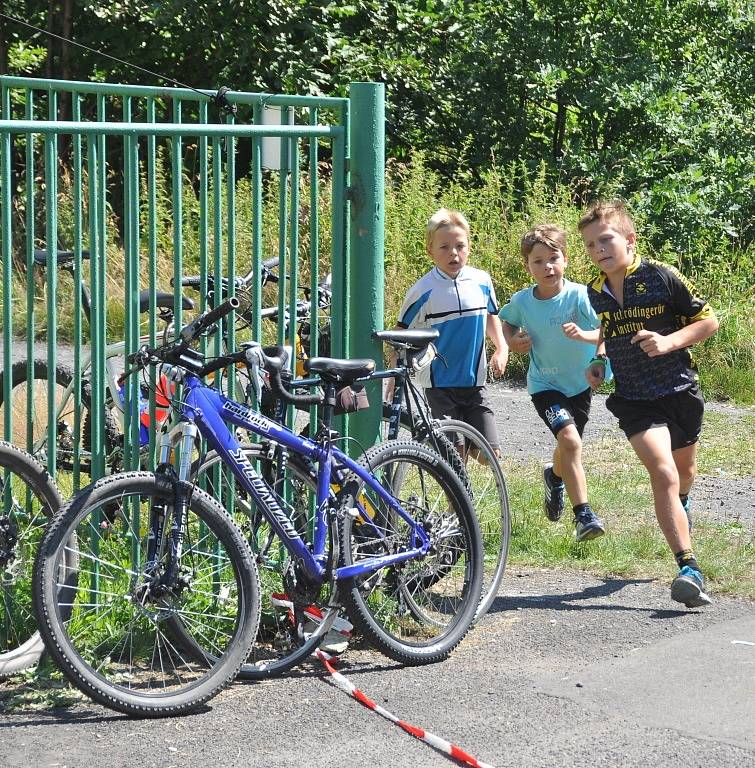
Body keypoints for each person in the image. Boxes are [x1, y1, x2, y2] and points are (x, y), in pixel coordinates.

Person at [578, 200, 719, 608]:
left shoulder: (661, 276)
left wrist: (668, 342)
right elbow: (608, 331)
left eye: (606, 239)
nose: (599, 250)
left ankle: (682, 508)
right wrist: (600, 360)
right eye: (590, 245)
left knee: (683, 475)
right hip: (635, 400)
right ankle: (688, 567)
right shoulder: (594, 290)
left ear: (629, 239)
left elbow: (708, 320)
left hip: (680, 391)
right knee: (663, 472)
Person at [500, 224, 607, 541]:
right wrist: (511, 342)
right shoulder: (523, 301)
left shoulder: (579, 296)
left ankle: (553, 476)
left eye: (553, 258)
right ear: (528, 266)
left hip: (580, 385)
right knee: (572, 442)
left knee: (567, 449)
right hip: (545, 386)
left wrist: (589, 345)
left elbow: (604, 332)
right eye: (538, 261)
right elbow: (505, 323)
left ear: (566, 260)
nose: (547, 266)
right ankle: (584, 516)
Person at [393, 207, 508, 453]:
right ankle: (458, 490)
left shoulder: (482, 281)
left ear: (469, 247)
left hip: (475, 381)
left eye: (460, 246)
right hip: (439, 385)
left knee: (490, 453)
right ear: (430, 250)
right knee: (455, 455)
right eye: (444, 247)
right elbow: (399, 332)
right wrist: (393, 379)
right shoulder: (422, 290)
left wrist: (501, 347)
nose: (453, 253)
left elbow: (491, 315)